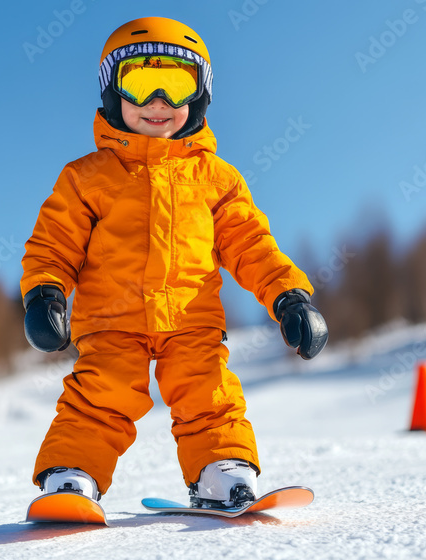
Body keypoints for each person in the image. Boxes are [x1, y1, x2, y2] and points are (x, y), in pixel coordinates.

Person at [20, 17, 328, 507]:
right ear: (111, 93)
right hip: (111, 319)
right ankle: (72, 475)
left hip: (192, 320)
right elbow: (53, 243)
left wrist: (290, 296)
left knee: (209, 392)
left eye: (176, 85)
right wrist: (44, 293)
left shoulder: (216, 179)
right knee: (102, 395)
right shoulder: (86, 177)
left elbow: (251, 243)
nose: (158, 102)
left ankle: (220, 470)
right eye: (140, 84)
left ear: (200, 95)